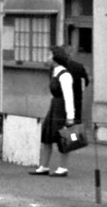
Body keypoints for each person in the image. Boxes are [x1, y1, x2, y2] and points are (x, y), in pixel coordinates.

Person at [29, 46, 78, 177]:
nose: (48, 58)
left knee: (63, 137)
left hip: (61, 108)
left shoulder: (65, 75)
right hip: (54, 106)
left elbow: (69, 97)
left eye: (50, 55)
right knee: (47, 136)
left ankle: (63, 167)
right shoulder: (54, 72)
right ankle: (44, 166)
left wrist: (70, 116)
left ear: (56, 58)